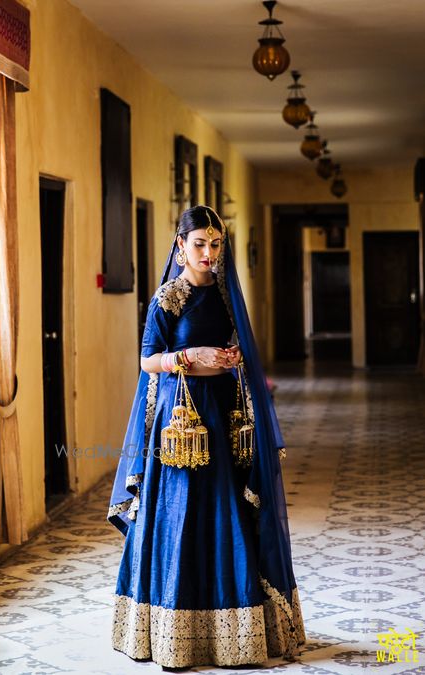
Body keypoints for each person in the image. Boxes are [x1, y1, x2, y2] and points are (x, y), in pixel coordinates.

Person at [107, 205, 306, 670]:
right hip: (182, 427)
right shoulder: (167, 300)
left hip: (224, 418)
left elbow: (241, 351)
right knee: (179, 516)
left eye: (216, 244)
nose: (208, 253)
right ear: (180, 247)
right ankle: (173, 636)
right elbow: (147, 361)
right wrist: (186, 356)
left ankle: (234, 636)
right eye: (199, 244)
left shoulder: (225, 297)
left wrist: (231, 357)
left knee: (227, 512)